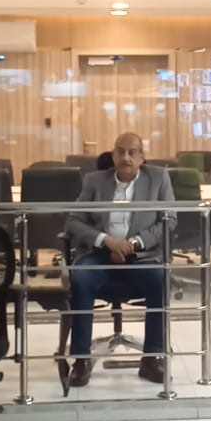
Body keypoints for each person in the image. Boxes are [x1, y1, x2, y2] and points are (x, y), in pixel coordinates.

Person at [63, 132, 176, 386]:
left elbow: (168, 221)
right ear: (113, 155)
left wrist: (131, 244)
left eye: (132, 152)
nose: (126, 157)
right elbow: (73, 221)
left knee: (159, 279)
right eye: (120, 152)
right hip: (100, 254)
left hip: (141, 256)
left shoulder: (158, 178)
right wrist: (106, 240)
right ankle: (81, 360)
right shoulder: (94, 181)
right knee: (81, 277)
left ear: (142, 157)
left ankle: (152, 358)